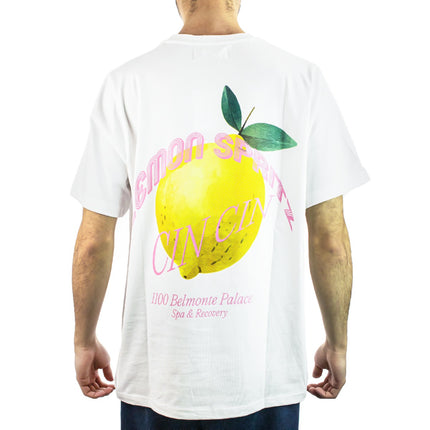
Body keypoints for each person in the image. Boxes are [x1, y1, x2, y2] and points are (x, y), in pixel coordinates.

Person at [70, 0, 370, 429]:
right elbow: (330, 240)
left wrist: (84, 341)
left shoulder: (127, 83)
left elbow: (94, 241)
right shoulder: (301, 79)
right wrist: (337, 344)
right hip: (264, 381)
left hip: (159, 380)